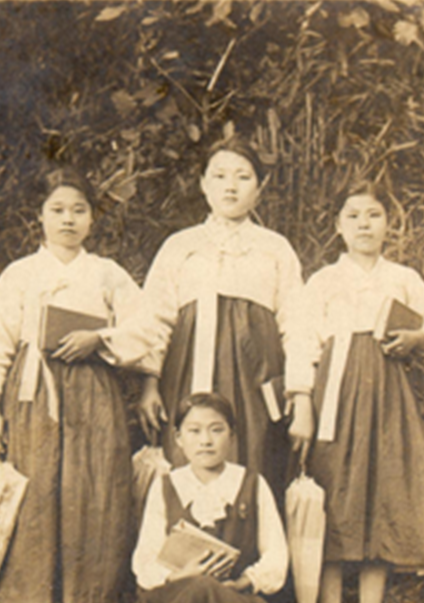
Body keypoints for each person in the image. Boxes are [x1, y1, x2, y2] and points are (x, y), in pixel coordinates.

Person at [0, 167, 145, 603]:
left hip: (93, 395)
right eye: (58, 210)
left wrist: (99, 339)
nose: (68, 220)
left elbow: (144, 329)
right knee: (36, 487)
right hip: (33, 397)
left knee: (92, 487)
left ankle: (88, 593)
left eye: (79, 210)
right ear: (40, 216)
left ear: (92, 218)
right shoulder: (20, 274)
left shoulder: (106, 273)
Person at [288, 182, 424, 603]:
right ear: (337, 226)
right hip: (335, 395)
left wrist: (416, 338)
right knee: (333, 486)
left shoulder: (402, 278)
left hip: (387, 397)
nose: (363, 224)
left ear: (389, 223)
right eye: (353, 216)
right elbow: (301, 341)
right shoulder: (324, 280)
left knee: (383, 487)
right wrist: (303, 402)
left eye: (374, 215)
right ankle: (328, 597)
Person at [123, 136, 305, 494]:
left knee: (252, 460)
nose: (230, 186)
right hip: (187, 375)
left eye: (243, 177)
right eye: (219, 176)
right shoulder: (180, 246)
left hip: (255, 380)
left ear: (260, 187)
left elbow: (297, 325)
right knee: (187, 460)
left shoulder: (275, 249)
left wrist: (300, 394)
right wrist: (150, 384)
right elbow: (155, 319)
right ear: (204, 184)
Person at [132, 391, 289, 603]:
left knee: (209, 589)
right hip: (177, 595)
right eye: (194, 431)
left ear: (232, 436)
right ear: (179, 438)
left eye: (216, 430)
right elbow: (145, 559)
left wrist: (242, 582)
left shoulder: (251, 484)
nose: (205, 441)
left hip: (233, 596)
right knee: (199, 587)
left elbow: (276, 555)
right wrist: (182, 576)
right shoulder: (166, 486)